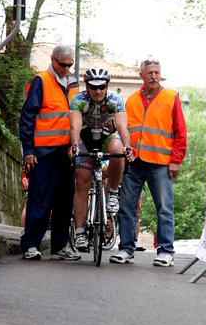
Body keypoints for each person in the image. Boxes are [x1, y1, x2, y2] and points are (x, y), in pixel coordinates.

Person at [110, 58, 187, 267]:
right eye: (150, 72)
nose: (153, 76)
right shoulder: (132, 100)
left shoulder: (171, 97)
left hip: (160, 162)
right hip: (134, 162)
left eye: (156, 72)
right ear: (141, 75)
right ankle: (126, 249)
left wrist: (176, 160)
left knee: (164, 207)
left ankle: (166, 252)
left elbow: (181, 132)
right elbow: (123, 129)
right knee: (126, 206)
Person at [19, 44, 80, 260]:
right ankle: (30, 244)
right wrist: (28, 150)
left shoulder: (73, 84)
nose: (66, 68)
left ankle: (60, 245)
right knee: (40, 199)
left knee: (65, 200)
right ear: (53, 60)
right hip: (43, 153)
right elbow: (27, 117)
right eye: (62, 64)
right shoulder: (41, 81)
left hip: (66, 153)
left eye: (69, 65)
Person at [69, 67, 134, 252]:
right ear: (87, 86)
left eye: (102, 87)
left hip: (106, 136)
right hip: (84, 138)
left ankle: (113, 193)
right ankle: (80, 232)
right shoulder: (78, 100)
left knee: (118, 148)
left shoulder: (115, 100)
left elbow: (122, 126)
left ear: (107, 85)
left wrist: (128, 147)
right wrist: (74, 145)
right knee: (82, 181)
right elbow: (75, 125)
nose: (98, 91)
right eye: (93, 87)